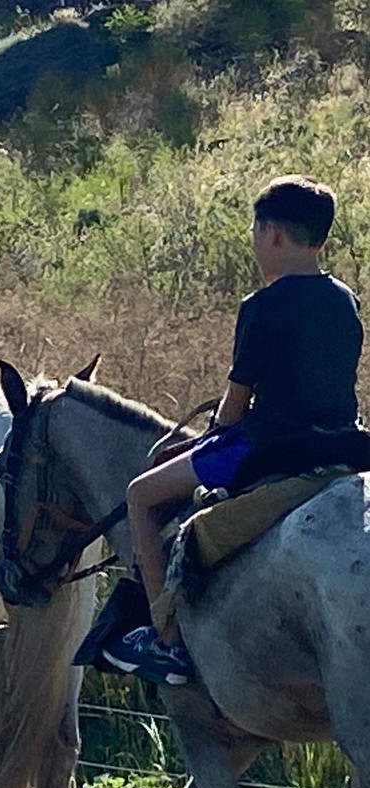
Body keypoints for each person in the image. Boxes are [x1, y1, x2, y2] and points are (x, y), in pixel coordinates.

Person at [102, 175, 363, 685]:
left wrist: (207, 437)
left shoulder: (261, 306)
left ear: (272, 235)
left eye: (254, 230)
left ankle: (166, 638)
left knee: (140, 494)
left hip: (268, 447)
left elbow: (235, 408)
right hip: (345, 442)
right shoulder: (344, 299)